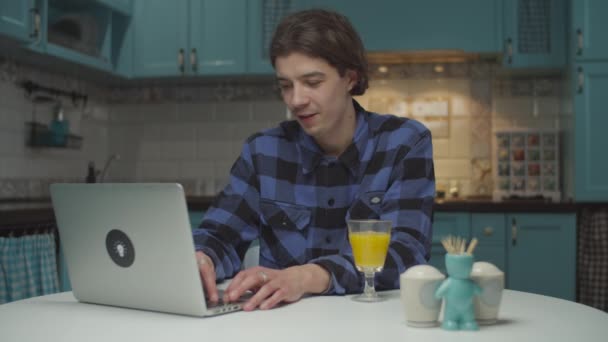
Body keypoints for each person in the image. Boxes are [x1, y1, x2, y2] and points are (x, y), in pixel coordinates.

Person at [192, 8, 435, 311]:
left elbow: (406, 253)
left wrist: (308, 276)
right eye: (286, 85)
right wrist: (204, 256)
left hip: (373, 323)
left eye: (312, 82)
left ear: (350, 77)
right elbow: (220, 234)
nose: (296, 100)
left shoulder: (404, 143)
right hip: (283, 325)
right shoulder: (263, 151)